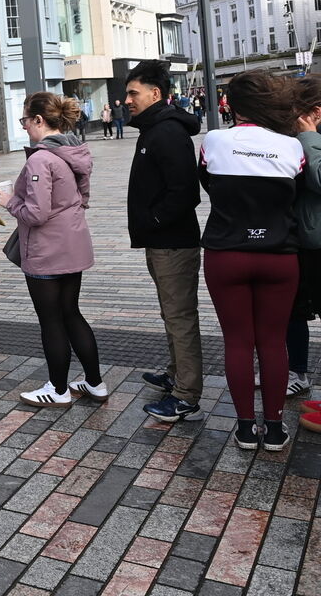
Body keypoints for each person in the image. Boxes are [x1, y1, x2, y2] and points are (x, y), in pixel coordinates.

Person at [200, 71, 303, 452]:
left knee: (238, 342)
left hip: (226, 252)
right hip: (279, 255)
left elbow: (207, 181)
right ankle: (274, 429)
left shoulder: (214, 140)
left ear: (234, 105)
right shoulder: (292, 146)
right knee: (274, 343)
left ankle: (245, 428)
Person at [0, 92, 105, 408]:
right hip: (73, 244)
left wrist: (9, 202)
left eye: (25, 121)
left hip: (46, 251)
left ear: (39, 121)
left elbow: (36, 213)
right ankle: (94, 382)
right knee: (71, 313)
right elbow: (83, 197)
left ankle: (57, 389)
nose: (25, 128)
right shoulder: (75, 150)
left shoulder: (40, 159)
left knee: (51, 320)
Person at [123, 61, 206, 422]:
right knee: (171, 314)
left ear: (155, 94)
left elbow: (185, 191)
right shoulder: (154, 129)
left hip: (173, 242)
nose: (126, 100)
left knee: (180, 317)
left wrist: (153, 220)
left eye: (132, 93)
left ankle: (187, 394)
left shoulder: (167, 132)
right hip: (161, 241)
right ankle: (175, 375)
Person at [290, 76, 321, 405]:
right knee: (293, 312)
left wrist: (310, 138)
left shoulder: (308, 137)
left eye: (296, 111)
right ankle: (296, 373)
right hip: (299, 240)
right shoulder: (297, 137)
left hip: (318, 243)